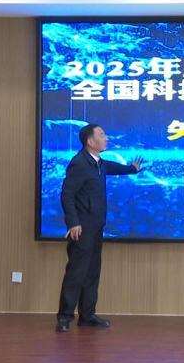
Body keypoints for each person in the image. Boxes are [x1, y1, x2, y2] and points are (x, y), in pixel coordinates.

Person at [57, 124, 143, 332]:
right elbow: (67, 194)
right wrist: (73, 222)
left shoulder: (98, 163)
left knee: (92, 271)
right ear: (90, 141)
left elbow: (112, 168)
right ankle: (65, 317)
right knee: (77, 272)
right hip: (82, 227)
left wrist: (132, 169)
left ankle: (87, 315)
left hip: (96, 225)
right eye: (102, 135)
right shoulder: (79, 163)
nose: (107, 138)